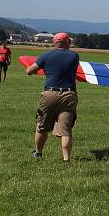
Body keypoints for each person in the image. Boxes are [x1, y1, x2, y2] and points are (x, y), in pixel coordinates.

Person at [25, 32, 79, 161]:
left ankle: (38, 153)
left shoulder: (46, 55)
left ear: (54, 42)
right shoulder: (74, 56)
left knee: (41, 126)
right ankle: (66, 159)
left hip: (50, 93)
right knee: (65, 130)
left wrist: (37, 65)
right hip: (69, 94)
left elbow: (29, 71)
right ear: (68, 43)